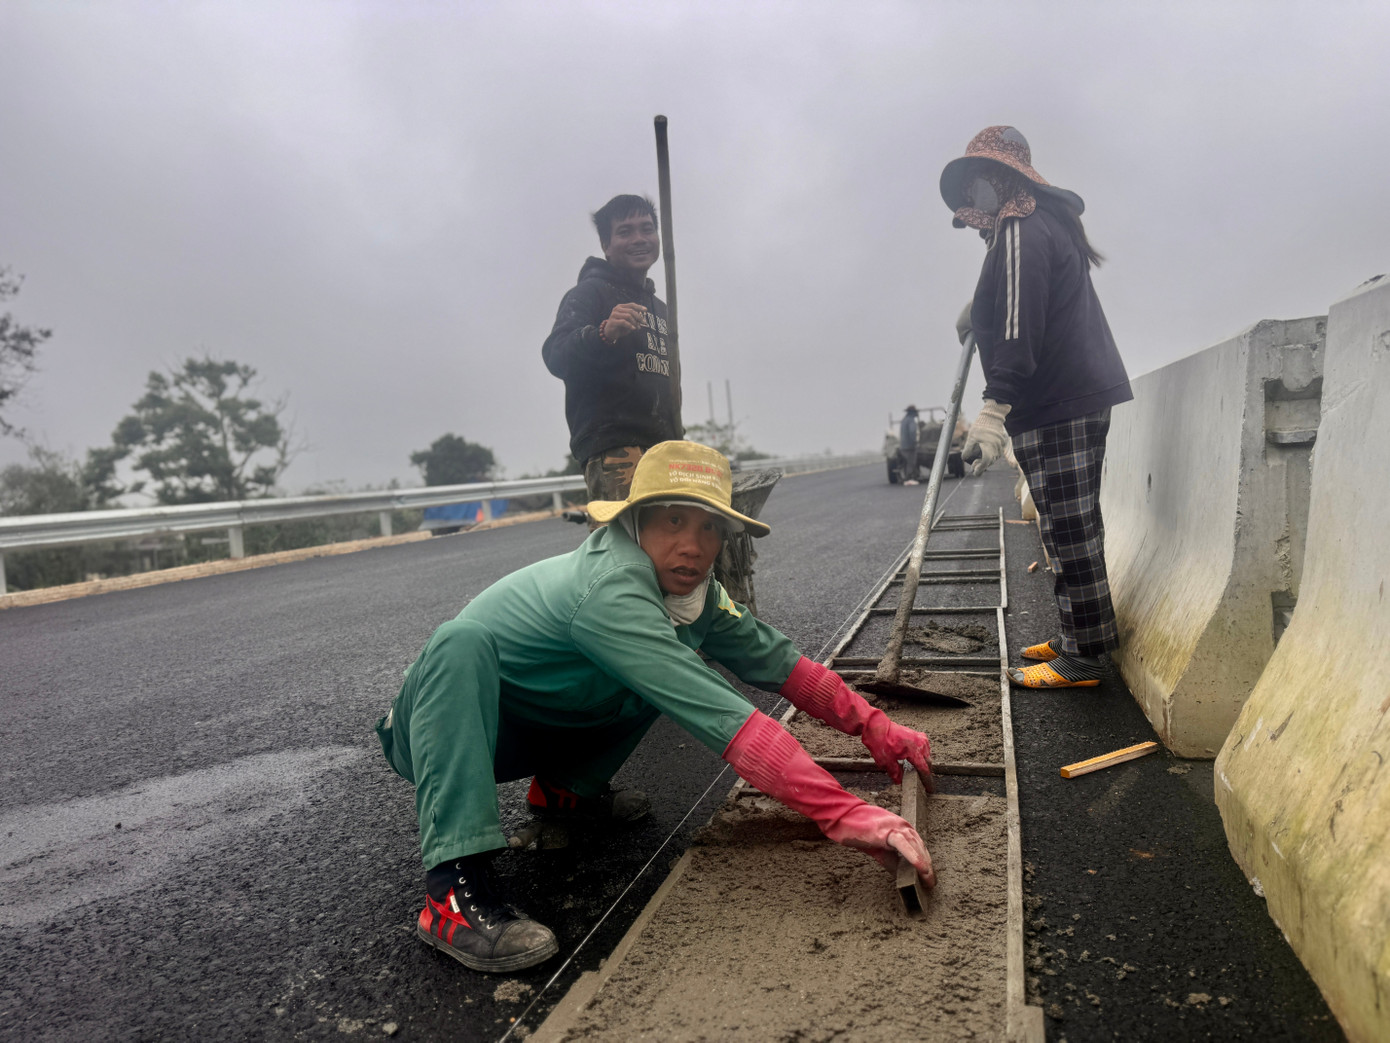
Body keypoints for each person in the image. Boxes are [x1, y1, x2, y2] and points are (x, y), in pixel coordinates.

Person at [375, 441, 935, 973]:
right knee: (461, 641)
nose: (692, 545)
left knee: (656, 665)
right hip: (439, 730)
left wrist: (876, 727)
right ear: (635, 520)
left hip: (526, 726)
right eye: (673, 521)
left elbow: (779, 662)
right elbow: (722, 715)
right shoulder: (610, 587)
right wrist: (845, 813)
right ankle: (453, 887)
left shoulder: (692, 591)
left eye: (710, 527)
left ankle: (566, 795)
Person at [940, 126, 1133, 689]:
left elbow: (1021, 330)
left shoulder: (1023, 227)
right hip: (1058, 399)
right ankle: (1079, 631)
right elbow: (1011, 298)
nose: (974, 201)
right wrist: (980, 307)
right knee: (1061, 523)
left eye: (978, 186)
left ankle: (1083, 656)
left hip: (1060, 398)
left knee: (1071, 527)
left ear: (1000, 179)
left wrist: (993, 410)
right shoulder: (1025, 229)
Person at [542, 194, 681, 510]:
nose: (639, 239)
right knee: (623, 550)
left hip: (665, 449)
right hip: (617, 450)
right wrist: (602, 333)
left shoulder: (660, 307)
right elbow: (556, 354)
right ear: (606, 245)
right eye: (625, 231)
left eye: (647, 228)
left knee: (667, 551)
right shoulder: (589, 293)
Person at [899, 404, 921, 484]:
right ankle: (909, 478)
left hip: (903, 446)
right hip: (909, 446)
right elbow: (912, 432)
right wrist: (915, 442)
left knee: (907, 462)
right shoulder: (911, 420)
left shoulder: (904, 420)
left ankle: (910, 476)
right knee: (911, 462)